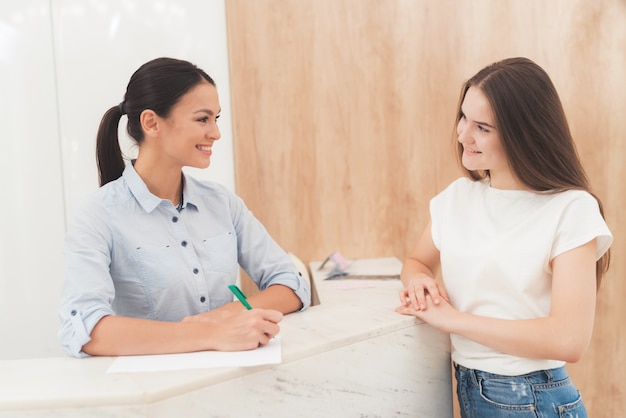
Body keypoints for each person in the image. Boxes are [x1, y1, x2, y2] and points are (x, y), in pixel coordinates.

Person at [396, 57, 612, 417]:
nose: (464, 134)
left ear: (523, 132)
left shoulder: (571, 209)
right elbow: (416, 261)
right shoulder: (457, 199)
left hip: (531, 398)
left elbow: (569, 340)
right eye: (463, 118)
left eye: (482, 127)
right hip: (472, 388)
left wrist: (452, 320)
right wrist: (419, 281)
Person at [59, 57, 310, 358]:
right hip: (152, 395)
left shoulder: (221, 202)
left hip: (228, 382)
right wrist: (210, 333)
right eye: (203, 119)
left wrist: (223, 317)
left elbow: (292, 285)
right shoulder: (99, 214)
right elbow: (84, 328)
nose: (215, 133)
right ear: (151, 123)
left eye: (216, 118)